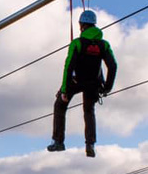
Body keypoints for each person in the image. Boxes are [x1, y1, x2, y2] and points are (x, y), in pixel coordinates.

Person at [47, 9, 117, 157]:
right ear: (94, 25)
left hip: (76, 81)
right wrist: (107, 88)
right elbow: (113, 66)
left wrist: (64, 90)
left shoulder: (77, 44)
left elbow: (68, 67)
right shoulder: (103, 45)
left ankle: (58, 142)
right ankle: (90, 144)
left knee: (60, 105)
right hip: (93, 83)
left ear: (81, 25)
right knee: (89, 110)